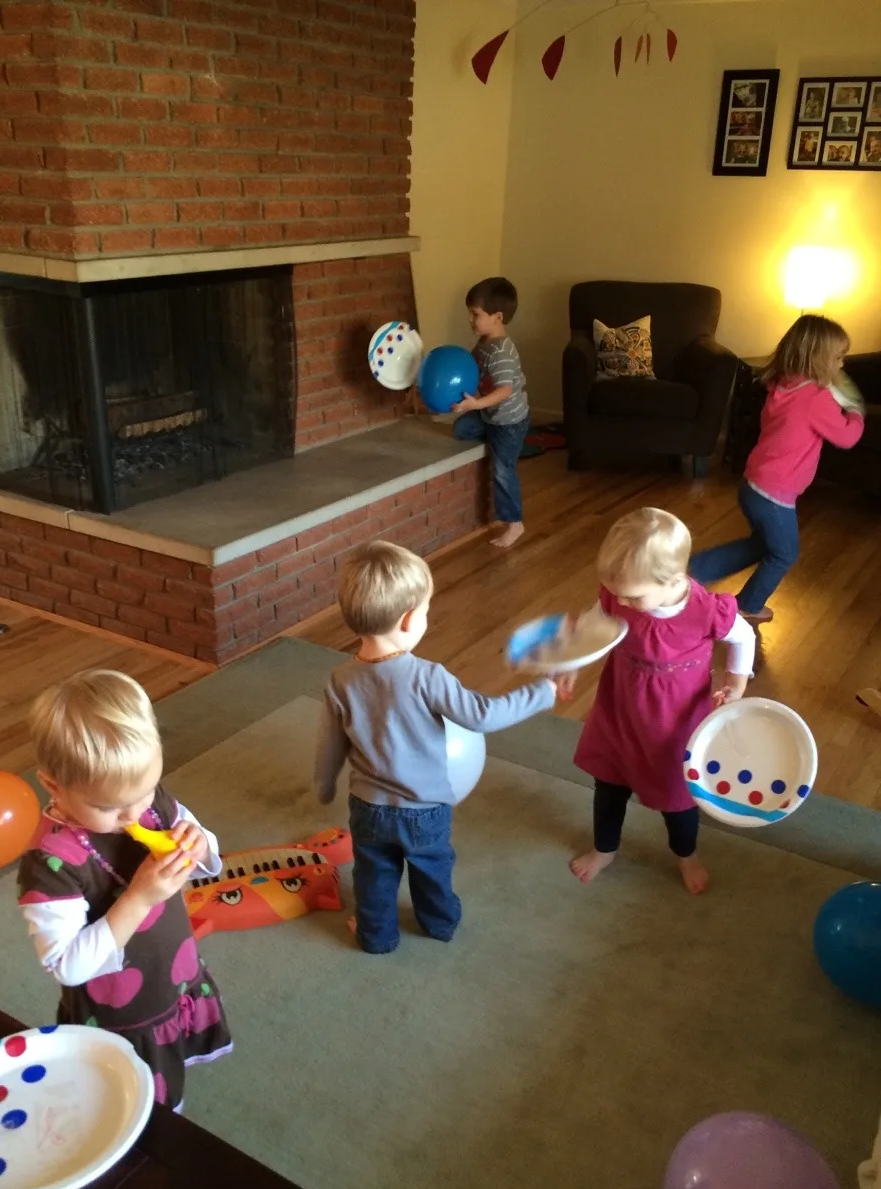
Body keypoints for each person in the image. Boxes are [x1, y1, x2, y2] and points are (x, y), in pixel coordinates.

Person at [314, 541, 558, 954]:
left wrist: (324, 786)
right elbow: (483, 715)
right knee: (432, 868)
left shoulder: (339, 679)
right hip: (425, 809)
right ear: (410, 620)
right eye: (426, 611)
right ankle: (440, 923)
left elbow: (330, 744)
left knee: (374, 874)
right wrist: (542, 693)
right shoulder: (428, 676)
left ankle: (376, 935)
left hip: (368, 807)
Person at [17, 669, 232, 1112]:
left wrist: (199, 843)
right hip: (120, 1012)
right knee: (136, 1105)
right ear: (53, 785)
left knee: (171, 1057)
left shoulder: (149, 804)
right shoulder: (51, 863)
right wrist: (138, 899)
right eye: (110, 807)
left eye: (147, 790)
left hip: (172, 972)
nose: (135, 813)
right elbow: (68, 965)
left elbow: (211, 856)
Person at [562, 508, 756, 895]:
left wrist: (735, 682)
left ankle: (685, 854)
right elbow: (597, 617)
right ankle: (605, 848)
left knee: (678, 798)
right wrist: (573, 655)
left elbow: (744, 637)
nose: (623, 602)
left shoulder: (706, 612)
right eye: (617, 592)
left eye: (632, 595)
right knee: (609, 784)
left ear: (672, 580)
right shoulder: (622, 597)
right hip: (620, 709)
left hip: (674, 722)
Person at [689, 315, 864, 623]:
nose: (841, 365)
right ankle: (748, 604)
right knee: (784, 553)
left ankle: (696, 569)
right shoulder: (815, 399)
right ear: (819, 359)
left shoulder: (784, 384)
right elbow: (847, 437)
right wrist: (855, 412)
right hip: (774, 494)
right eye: (838, 357)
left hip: (753, 484)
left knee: (761, 545)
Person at [451, 276, 530, 549]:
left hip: (508, 422)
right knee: (460, 430)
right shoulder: (484, 342)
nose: (471, 320)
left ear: (497, 317)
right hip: (489, 414)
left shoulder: (501, 353)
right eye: (470, 314)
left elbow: (505, 390)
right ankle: (489, 435)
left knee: (502, 469)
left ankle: (514, 523)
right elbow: (472, 371)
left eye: (476, 314)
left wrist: (474, 405)